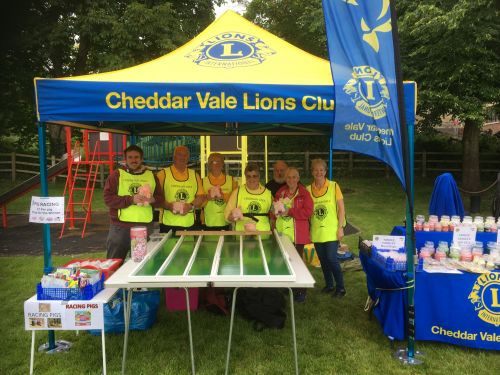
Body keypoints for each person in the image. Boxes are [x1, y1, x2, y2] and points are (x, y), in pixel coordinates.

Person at [103, 145, 164, 260]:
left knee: (140, 264)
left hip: (143, 227)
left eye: (136, 157)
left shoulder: (151, 176)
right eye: (130, 157)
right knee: (114, 263)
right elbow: (108, 198)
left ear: (141, 159)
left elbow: (161, 199)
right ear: (125, 159)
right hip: (120, 228)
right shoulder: (116, 175)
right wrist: (131, 199)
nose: (133, 160)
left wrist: (152, 199)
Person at [306, 158, 347, 298]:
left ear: (325, 171)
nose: (319, 172)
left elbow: (341, 209)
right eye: (316, 170)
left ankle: (341, 288)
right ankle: (329, 285)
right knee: (323, 260)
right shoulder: (307, 189)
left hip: (331, 230)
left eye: (321, 170)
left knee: (331, 258)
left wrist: (340, 227)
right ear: (312, 172)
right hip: (317, 231)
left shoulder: (334, 186)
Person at [274, 167, 313, 302]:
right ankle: (288, 286)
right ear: (286, 179)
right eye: (288, 177)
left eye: (294, 177)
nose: (291, 180)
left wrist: (289, 211)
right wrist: (274, 211)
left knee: (298, 263)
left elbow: (308, 212)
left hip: (298, 235)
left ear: (298, 178)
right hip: (283, 234)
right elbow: (275, 208)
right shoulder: (281, 192)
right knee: (285, 261)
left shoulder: (304, 193)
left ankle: (301, 291)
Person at [156, 145, 205, 234]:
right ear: (174, 157)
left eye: (185, 155)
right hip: (167, 224)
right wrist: (169, 206)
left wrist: (190, 206)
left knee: (189, 248)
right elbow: (156, 198)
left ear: (188, 158)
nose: (182, 157)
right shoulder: (162, 174)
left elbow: (201, 197)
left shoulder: (195, 175)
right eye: (179, 154)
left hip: (189, 224)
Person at [225, 163, 272, 232]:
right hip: (241, 234)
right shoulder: (237, 192)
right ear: (245, 177)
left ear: (259, 176)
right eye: (248, 176)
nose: (251, 179)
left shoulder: (268, 193)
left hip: (263, 234)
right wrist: (232, 217)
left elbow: (274, 215)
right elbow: (227, 215)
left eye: (254, 176)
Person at [202, 153, 238, 230]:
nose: (216, 164)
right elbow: (198, 205)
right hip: (208, 224)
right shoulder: (202, 181)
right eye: (213, 162)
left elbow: (236, 202)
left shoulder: (231, 180)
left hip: (227, 223)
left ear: (223, 164)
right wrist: (207, 197)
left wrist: (223, 196)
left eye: (218, 162)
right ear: (209, 165)